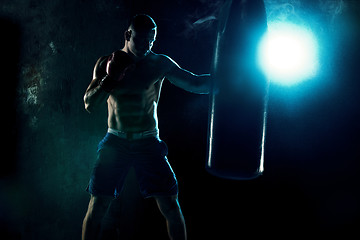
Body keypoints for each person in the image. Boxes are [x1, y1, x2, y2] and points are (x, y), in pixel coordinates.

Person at [82, 14, 210, 240]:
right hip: (116, 141)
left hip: (148, 141)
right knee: (98, 206)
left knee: (171, 206)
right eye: (141, 40)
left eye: (151, 40)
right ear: (127, 35)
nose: (146, 45)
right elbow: (89, 104)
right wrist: (109, 80)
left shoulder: (159, 63)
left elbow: (195, 83)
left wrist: (229, 78)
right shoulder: (106, 63)